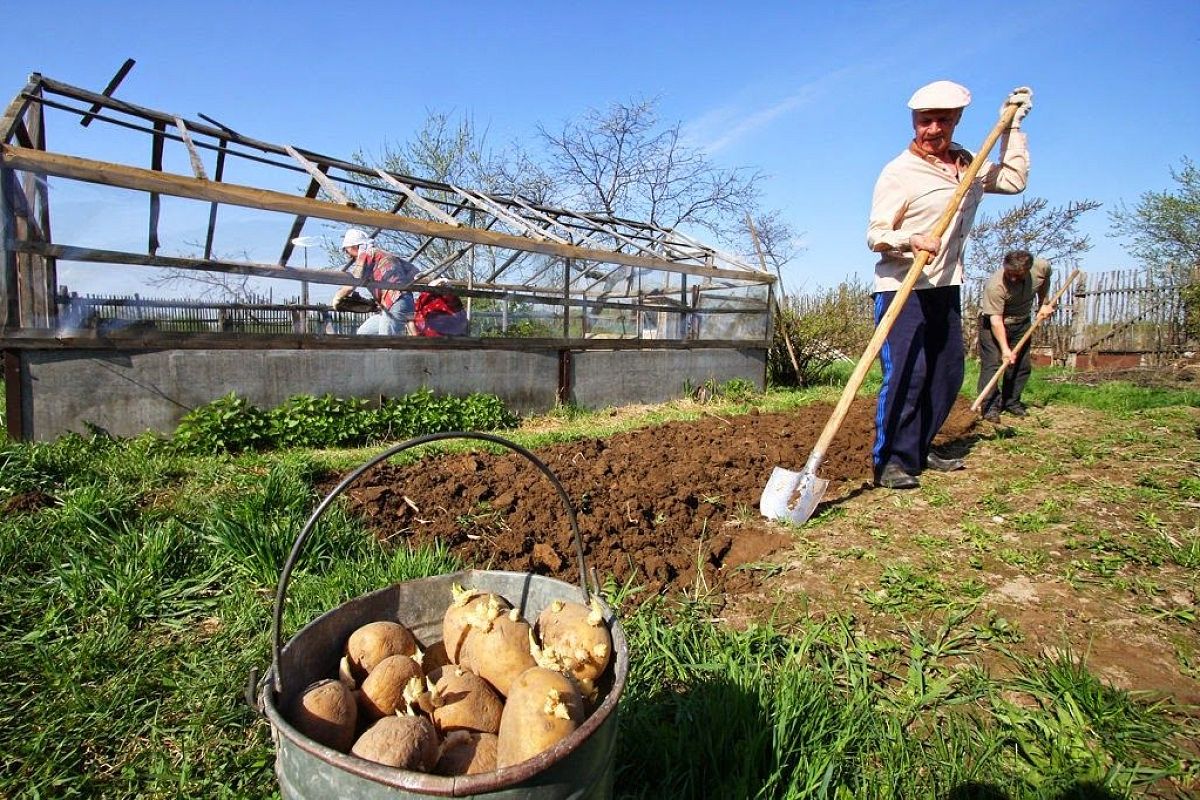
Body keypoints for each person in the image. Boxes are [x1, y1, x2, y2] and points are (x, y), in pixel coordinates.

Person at [866, 80, 1033, 490]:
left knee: (946, 374)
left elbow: (1013, 180)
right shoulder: (898, 172)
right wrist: (911, 239)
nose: (933, 130)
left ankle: (919, 448)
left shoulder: (969, 165)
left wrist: (1009, 128)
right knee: (909, 373)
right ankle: (891, 461)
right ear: (914, 121)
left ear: (957, 121)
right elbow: (875, 233)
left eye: (943, 120)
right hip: (902, 286)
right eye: (925, 121)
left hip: (945, 285)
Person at [977, 250, 1054, 423]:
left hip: (1021, 323)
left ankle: (1011, 402)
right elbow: (996, 320)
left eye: (1017, 275)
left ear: (1028, 269)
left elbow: (1045, 280)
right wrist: (1005, 349)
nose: (1012, 278)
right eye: (1009, 273)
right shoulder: (995, 286)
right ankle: (989, 407)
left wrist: (1043, 304)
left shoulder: (1041, 267)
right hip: (993, 325)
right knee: (993, 364)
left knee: (1021, 365)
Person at [332, 228, 419, 335]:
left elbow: (353, 282)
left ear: (354, 246)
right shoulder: (385, 254)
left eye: (346, 249)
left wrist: (337, 297)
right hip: (398, 302)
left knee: (386, 343)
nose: (347, 254)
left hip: (395, 301)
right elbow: (415, 274)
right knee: (363, 334)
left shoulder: (366, 253)